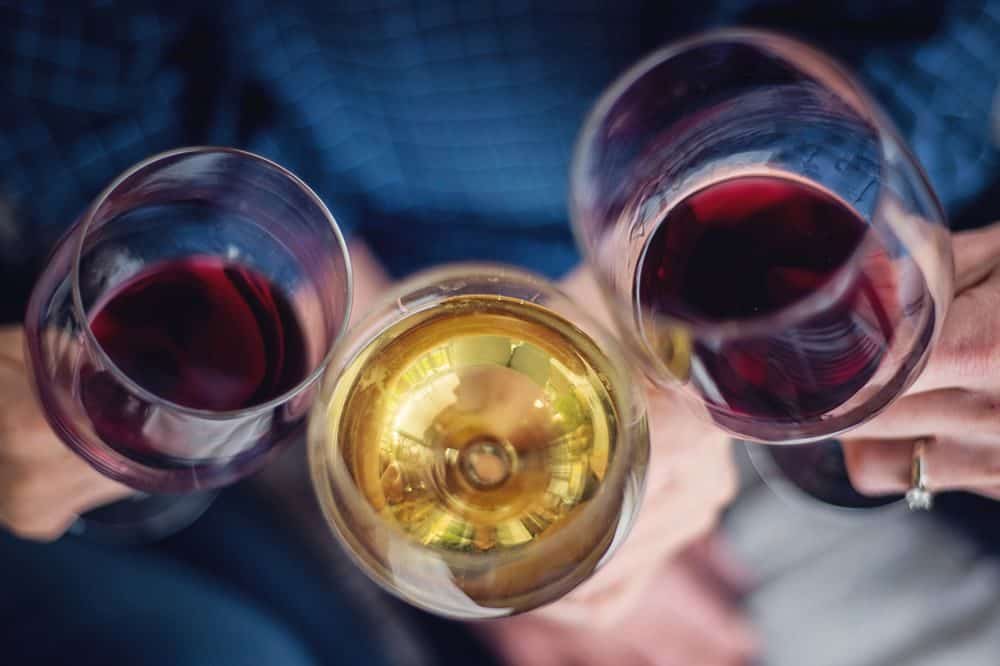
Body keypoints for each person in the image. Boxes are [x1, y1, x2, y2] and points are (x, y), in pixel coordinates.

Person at [1, 1, 998, 664]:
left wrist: (678, 377)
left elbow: (955, 60)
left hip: (746, 300)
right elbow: (80, 84)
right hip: (349, 288)